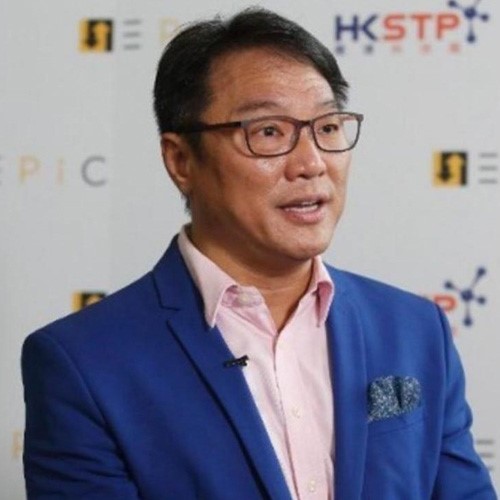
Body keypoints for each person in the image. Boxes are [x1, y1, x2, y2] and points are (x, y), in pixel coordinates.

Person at [22, 7, 496, 500]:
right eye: (269, 132)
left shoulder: (415, 330)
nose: (311, 163)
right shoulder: (83, 363)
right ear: (181, 160)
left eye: (328, 127)